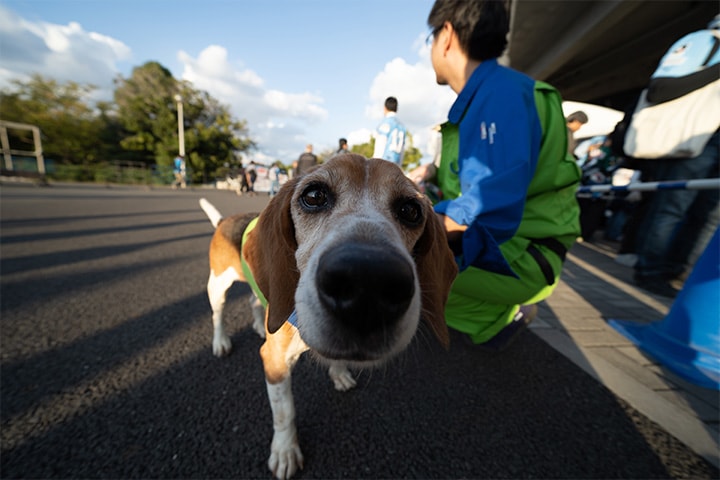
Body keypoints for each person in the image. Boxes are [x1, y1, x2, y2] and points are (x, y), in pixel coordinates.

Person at [411, 0, 581, 349]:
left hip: (525, 253)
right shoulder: (492, 97)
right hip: (520, 244)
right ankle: (490, 315)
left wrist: (401, 222)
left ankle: (500, 317)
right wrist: (430, 174)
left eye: (430, 38)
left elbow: (485, 210)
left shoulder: (500, 97)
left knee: (401, 265)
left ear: (446, 36)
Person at [630, 17, 720, 298]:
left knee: (705, 215)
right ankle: (649, 270)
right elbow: (661, 89)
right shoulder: (703, 41)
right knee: (672, 207)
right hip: (696, 141)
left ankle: (674, 269)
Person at [372, 96, 407, 166]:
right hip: (396, 166)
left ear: (385, 108)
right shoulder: (402, 127)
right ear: (396, 109)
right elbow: (402, 150)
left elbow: (380, 146)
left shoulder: (385, 124)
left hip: (384, 165)